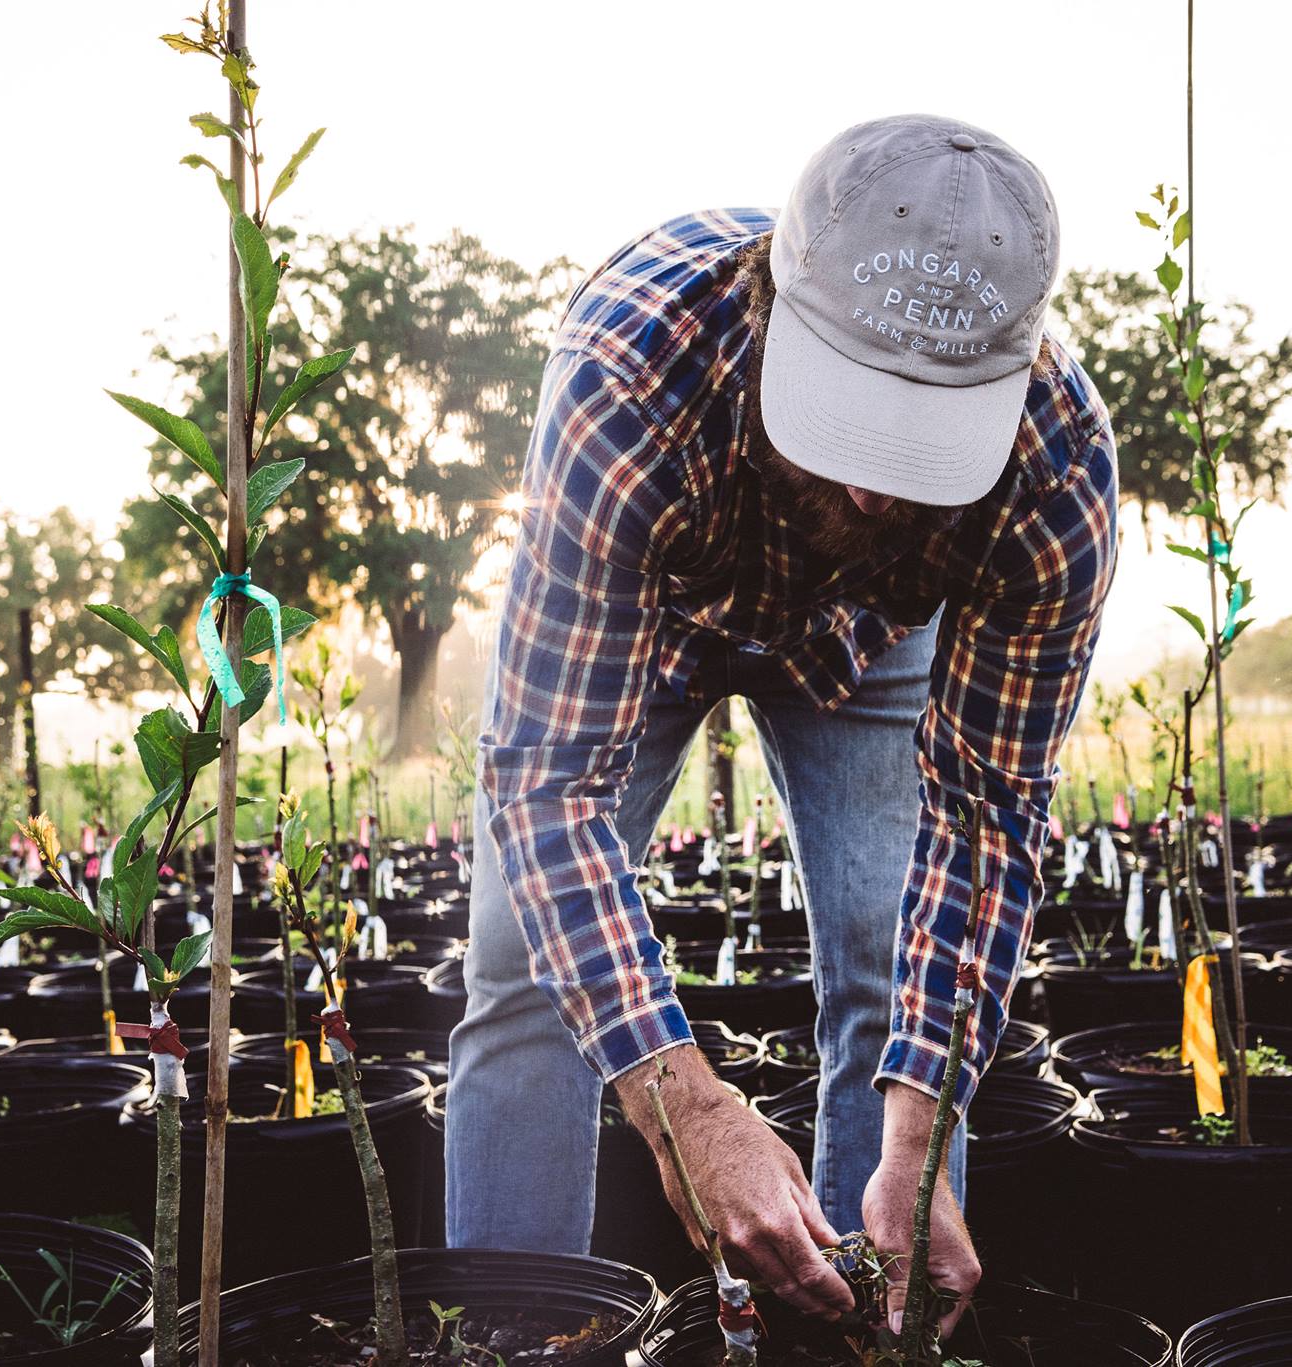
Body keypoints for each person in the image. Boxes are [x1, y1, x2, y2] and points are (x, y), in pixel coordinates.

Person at [446, 113, 1118, 1330]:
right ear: (768, 309)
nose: (873, 485)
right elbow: (546, 790)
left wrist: (924, 1124)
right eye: (850, 420)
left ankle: (865, 1321)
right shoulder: (630, 380)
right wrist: (682, 1102)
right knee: (517, 966)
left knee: (881, 958)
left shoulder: (1053, 473)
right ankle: (515, 1340)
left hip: (870, 638)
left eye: (923, 445)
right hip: (650, 604)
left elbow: (987, 815)